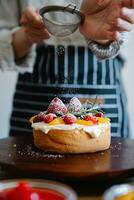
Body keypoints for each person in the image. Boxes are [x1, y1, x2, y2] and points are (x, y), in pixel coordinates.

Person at [0, 0, 134, 137]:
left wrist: (104, 34)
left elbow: (120, 33)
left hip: (102, 81)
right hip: (33, 95)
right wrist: (27, 34)